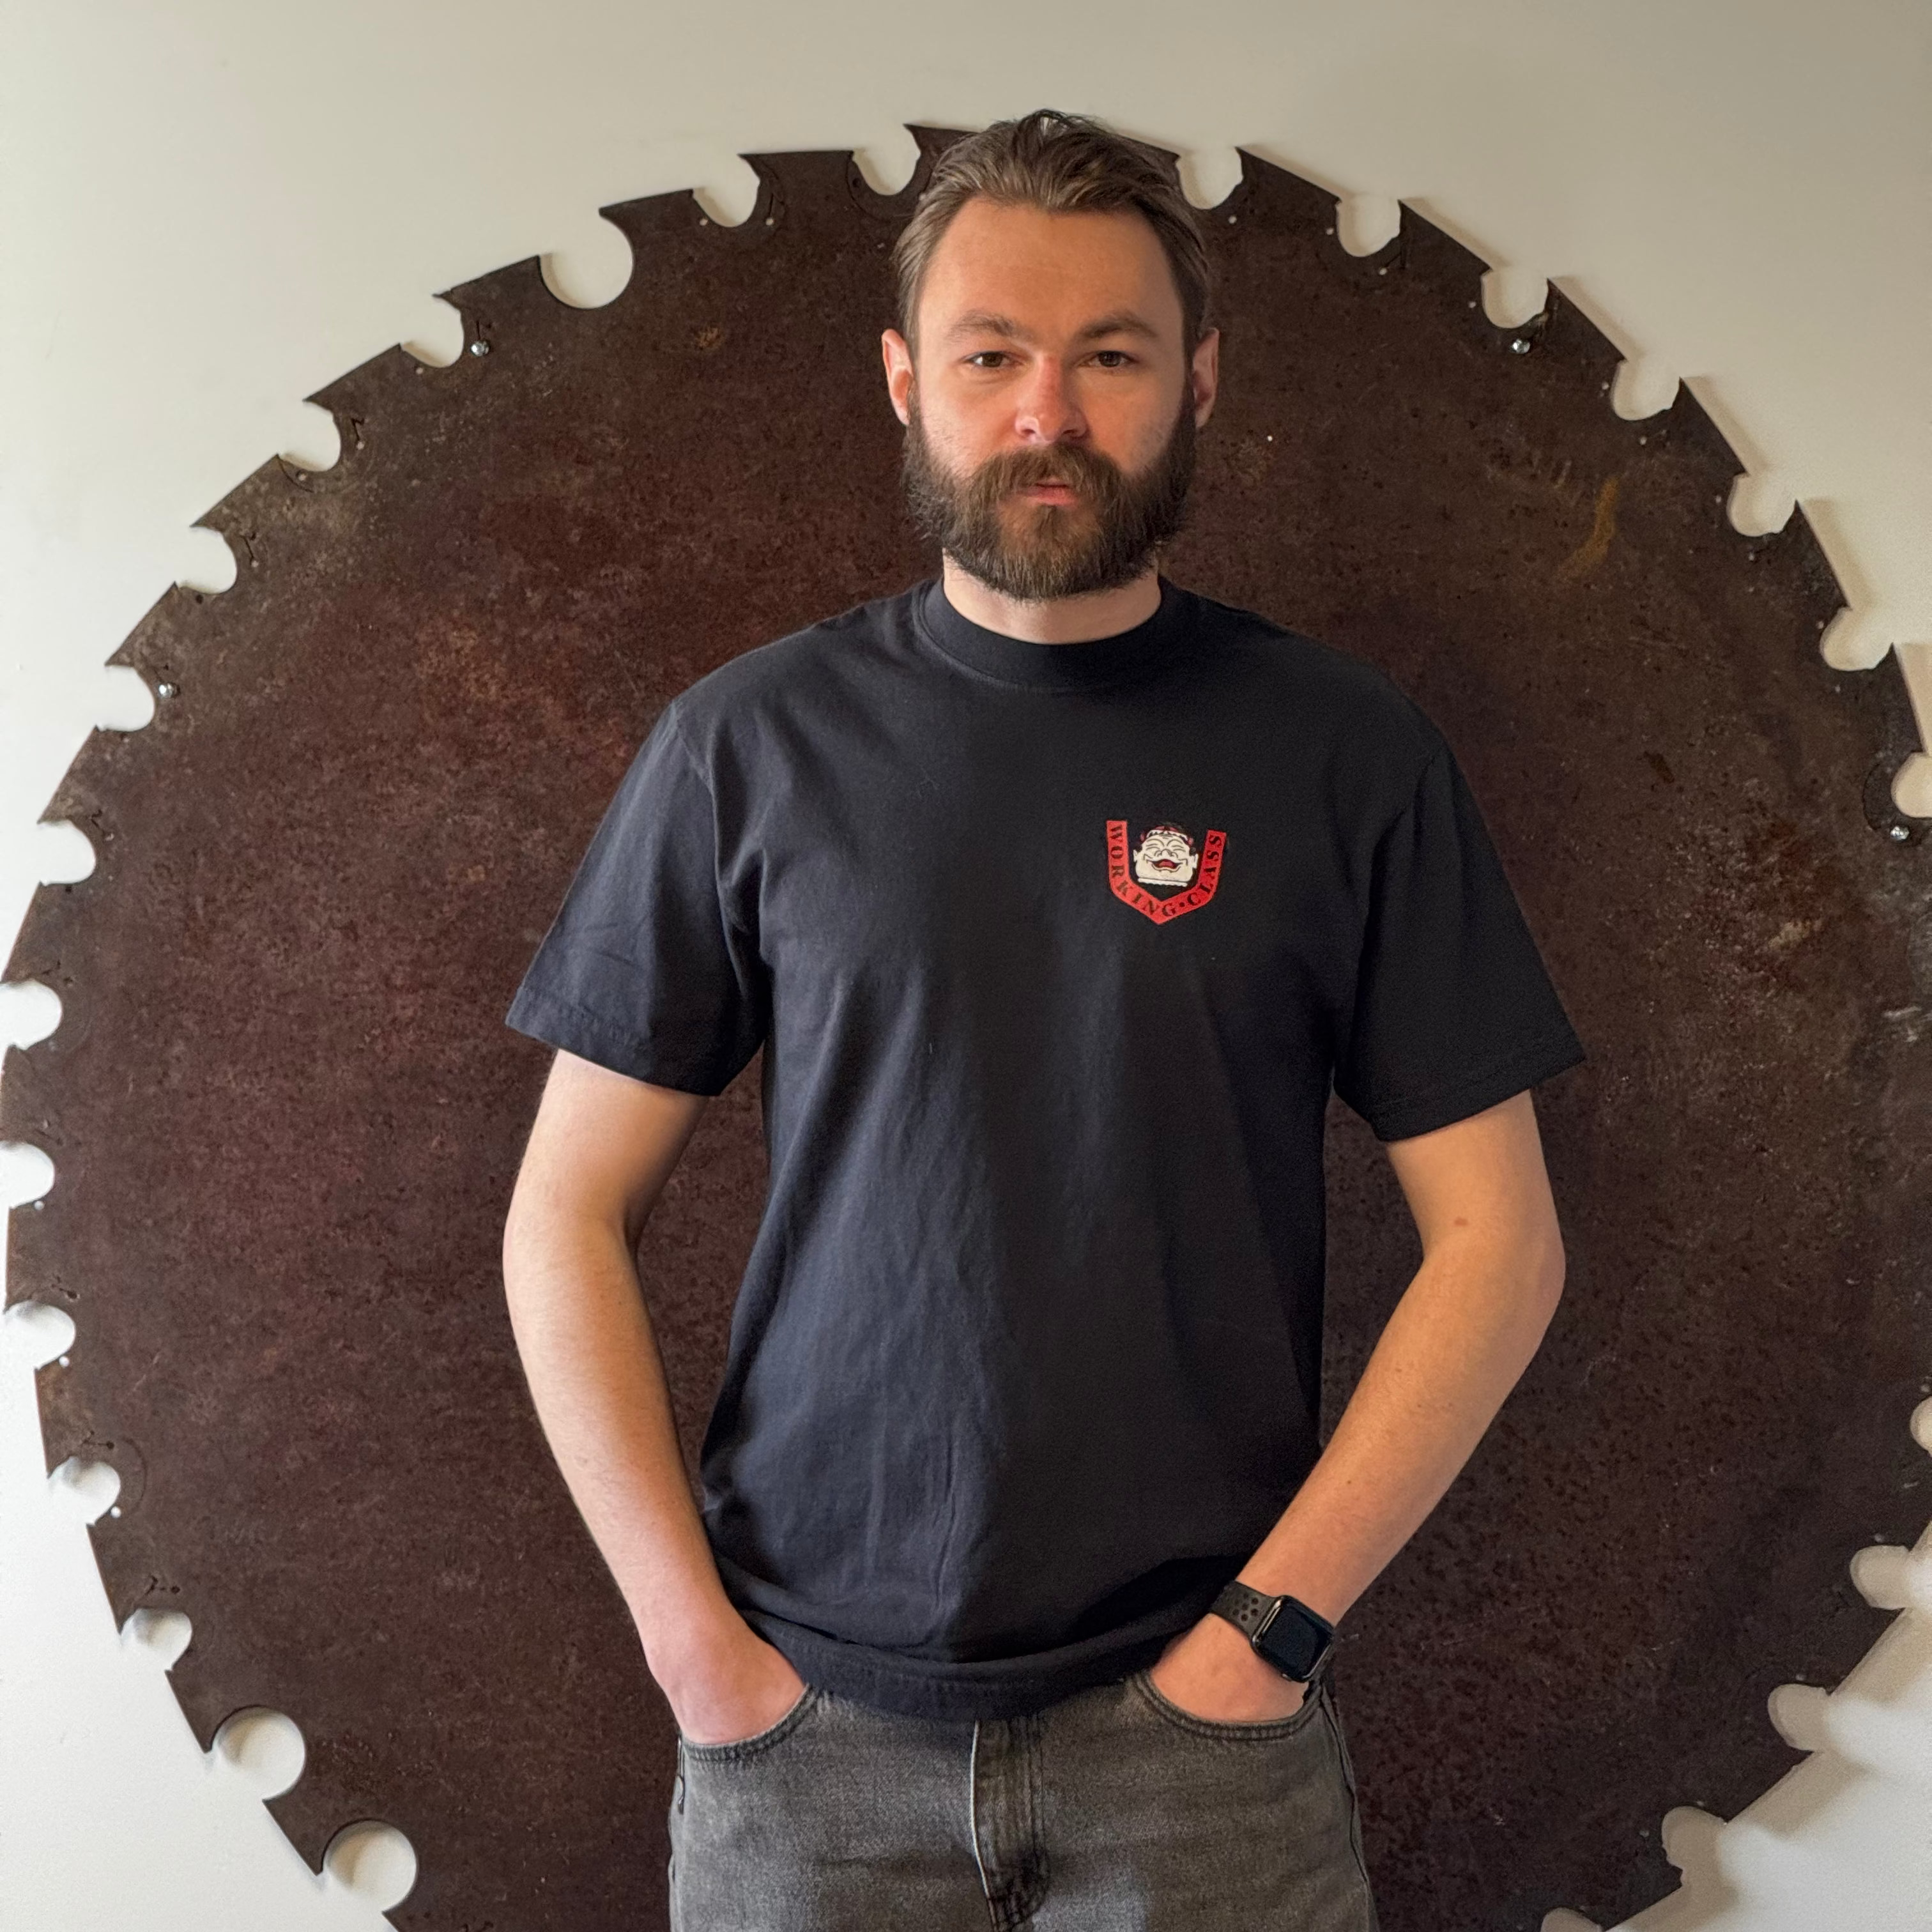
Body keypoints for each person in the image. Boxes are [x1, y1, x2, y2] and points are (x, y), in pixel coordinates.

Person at [500, 108, 1584, 1932]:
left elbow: (1502, 1243)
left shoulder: (1340, 754)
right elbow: (562, 1214)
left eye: (1111, 357)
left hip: (1206, 1748)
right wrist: (697, 1655)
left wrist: (1266, 1640)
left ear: (1202, 382)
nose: (1048, 412)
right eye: (995, 355)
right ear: (907, 381)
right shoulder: (747, 748)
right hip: (801, 1745)